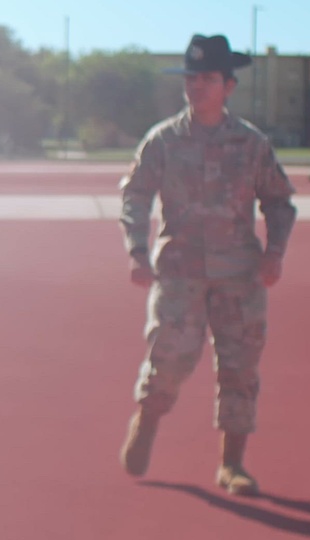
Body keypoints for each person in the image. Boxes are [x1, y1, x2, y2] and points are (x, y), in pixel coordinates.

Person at [117, 34, 296, 496]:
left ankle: (231, 465)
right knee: (170, 358)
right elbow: (135, 194)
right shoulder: (163, 140)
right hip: (179, 271)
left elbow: (279, 202)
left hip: (240, 274)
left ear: (228, 85)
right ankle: (148, 419)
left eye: (207, 79)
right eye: (191, 78)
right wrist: (137, 251)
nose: (196, 86)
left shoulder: (251, 144)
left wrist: (275, 252)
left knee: (240, 366)